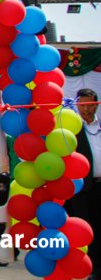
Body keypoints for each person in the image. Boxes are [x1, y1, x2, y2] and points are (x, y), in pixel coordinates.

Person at [70, 87, 100, 278]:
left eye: (91, 104)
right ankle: (88, 266)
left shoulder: (99, 126)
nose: (87, 109)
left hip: (100, 185)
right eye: (83, 104)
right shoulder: (73, 128)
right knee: (85, 227)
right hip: (83, 187)